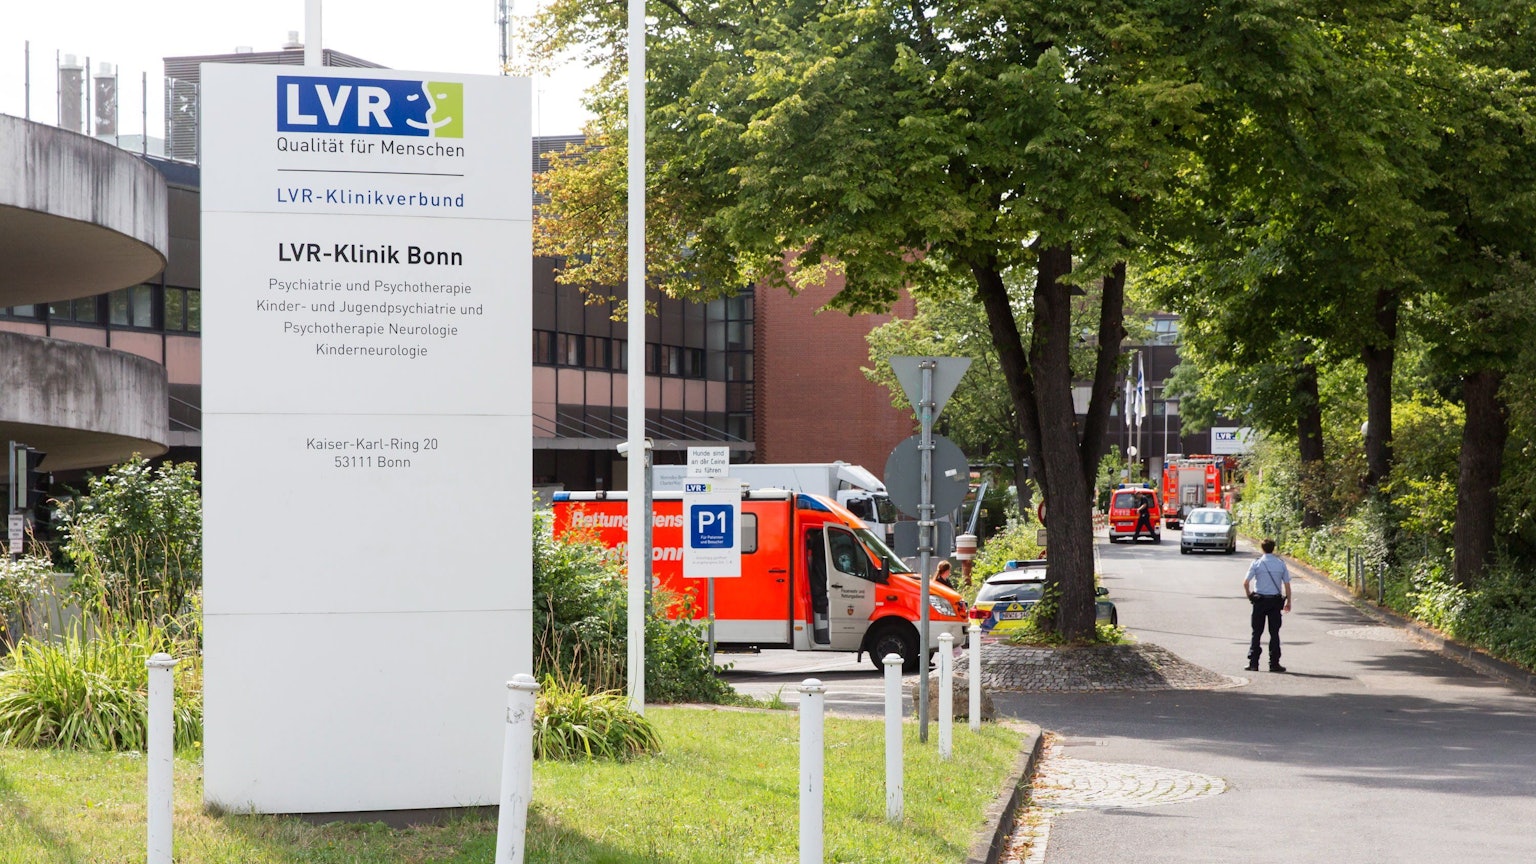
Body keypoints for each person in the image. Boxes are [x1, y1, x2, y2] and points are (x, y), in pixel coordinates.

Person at [1243, 538, 1292, 672]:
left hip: (1260, 601)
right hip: (1275, 602)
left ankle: (1253, 663)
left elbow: (1246, 582)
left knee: (1256, 632)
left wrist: (1250, 595)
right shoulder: (1280, 564)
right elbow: (1287, 584)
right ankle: (1274, 663)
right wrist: (1288, 601)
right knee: (1274, 633)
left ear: (1262, 549)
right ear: (1273, 548)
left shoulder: (1257, 563)